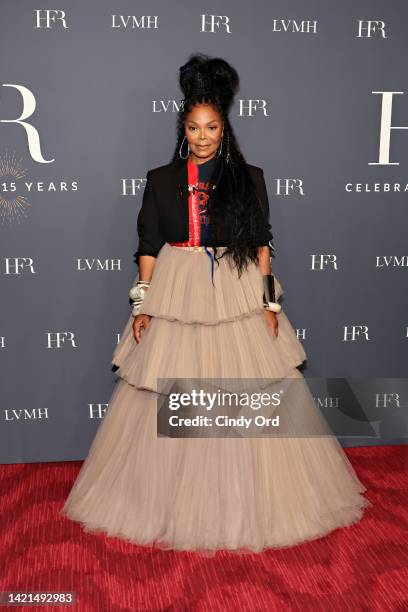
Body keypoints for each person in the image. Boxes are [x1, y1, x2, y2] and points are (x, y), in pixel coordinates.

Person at [60, 54, 371, 555]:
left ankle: (251, 501)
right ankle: (166, 502)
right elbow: (147, 246)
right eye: (193, 127)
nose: (202, 135)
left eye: (211, 127)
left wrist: (271, 306)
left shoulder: (248, 178)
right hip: (176, 293)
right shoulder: (160, 180)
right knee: (169, 399)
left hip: (238, 291)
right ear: (183, 129)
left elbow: (264, 246)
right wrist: (142, 308)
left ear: (224, 129)